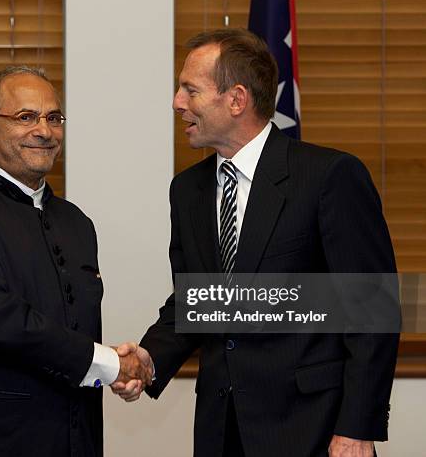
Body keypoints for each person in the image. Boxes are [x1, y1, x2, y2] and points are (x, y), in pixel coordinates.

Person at [111, 29, 398, 457]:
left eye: (190, 89)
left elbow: (372, 310)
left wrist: (356, 429)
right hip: (221, 428)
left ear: (236, 99)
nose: (177, 102)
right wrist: (149, 358)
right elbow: (200, 301)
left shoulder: (328, 177)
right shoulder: (187, 190)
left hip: (313, 427)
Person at [0, 66, 151, 457]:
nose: (44, 130)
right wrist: (110, 364)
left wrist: (113, 368)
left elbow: (73, 331)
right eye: (25, 117)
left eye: (54, 118)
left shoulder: (77, 223)